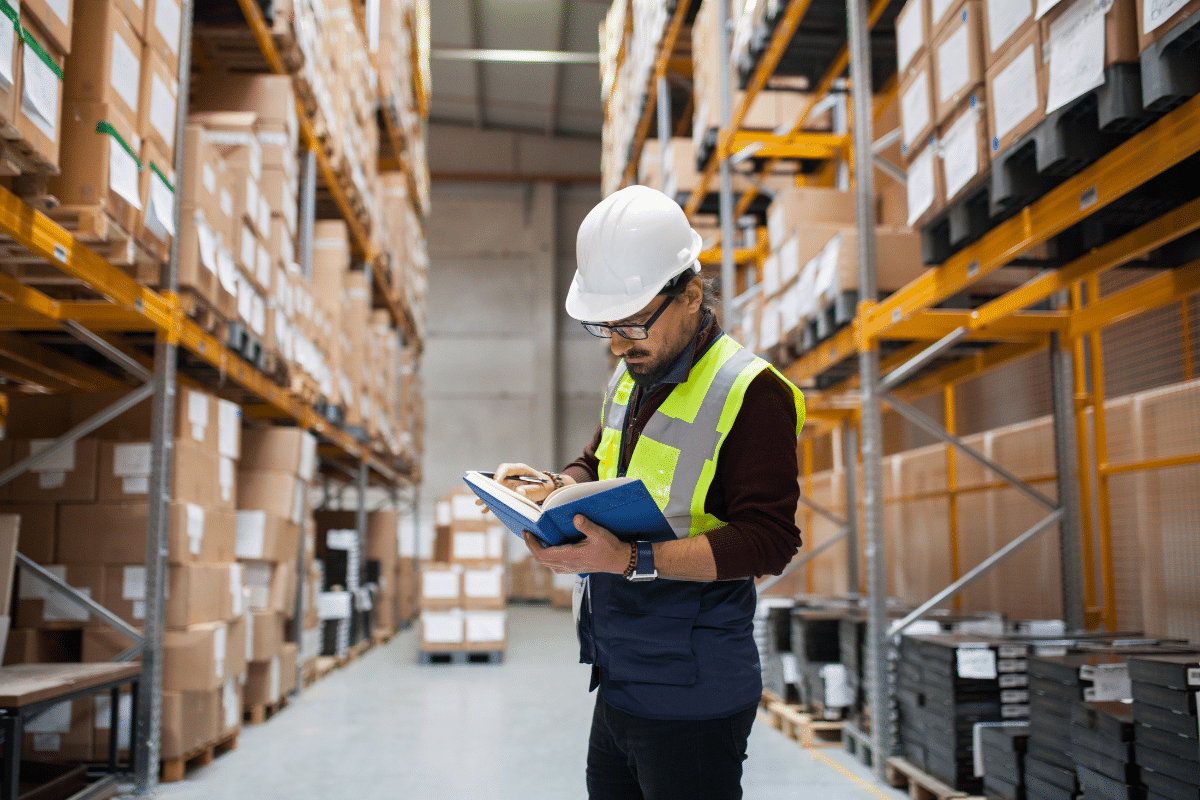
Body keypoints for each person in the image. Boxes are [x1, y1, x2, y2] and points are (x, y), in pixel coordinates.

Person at [490, 185, 806, 800]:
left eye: (632, 322)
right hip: (619, 676)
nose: (616, 342)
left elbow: (771, 541)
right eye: (603, 325)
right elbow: (595, 459)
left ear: (690, 293)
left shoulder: (752, 391)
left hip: (694, 691)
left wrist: (629, 559)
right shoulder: (634, 371)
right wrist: (554, 487)